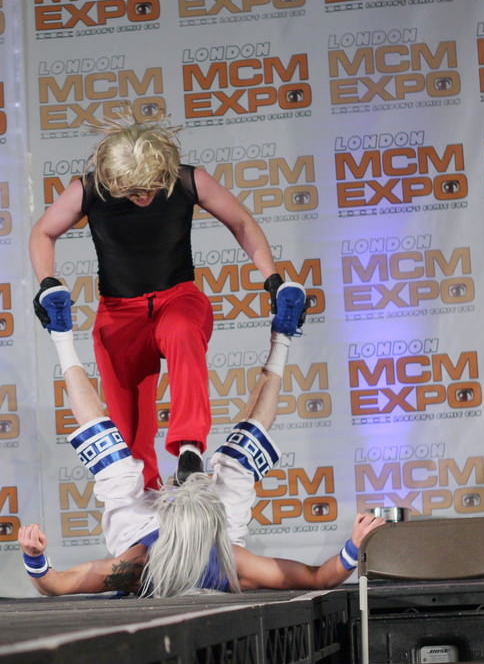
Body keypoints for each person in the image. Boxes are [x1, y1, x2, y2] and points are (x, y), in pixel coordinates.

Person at [24, 284, 380, 597]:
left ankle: (60, 335)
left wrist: (35, 556)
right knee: (240, 458)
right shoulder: (233, 563)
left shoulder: (137, 565)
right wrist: (354, 547)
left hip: (137, 531)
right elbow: (318, 578)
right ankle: (283, 336)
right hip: (211, 534)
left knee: (114, 465)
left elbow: (56, 585)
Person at [30, 118, 300, 490]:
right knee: (129, 431)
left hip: (178, 299)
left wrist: (272, 277)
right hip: (119, 314)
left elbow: (241, 222)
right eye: (133, 191)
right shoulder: (89, 189)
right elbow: (43, 232)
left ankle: (189, 448)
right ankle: (147, 494)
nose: (142, 197)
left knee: (181, 331)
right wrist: (47, 281)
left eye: (150, 188)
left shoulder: (189, 180)